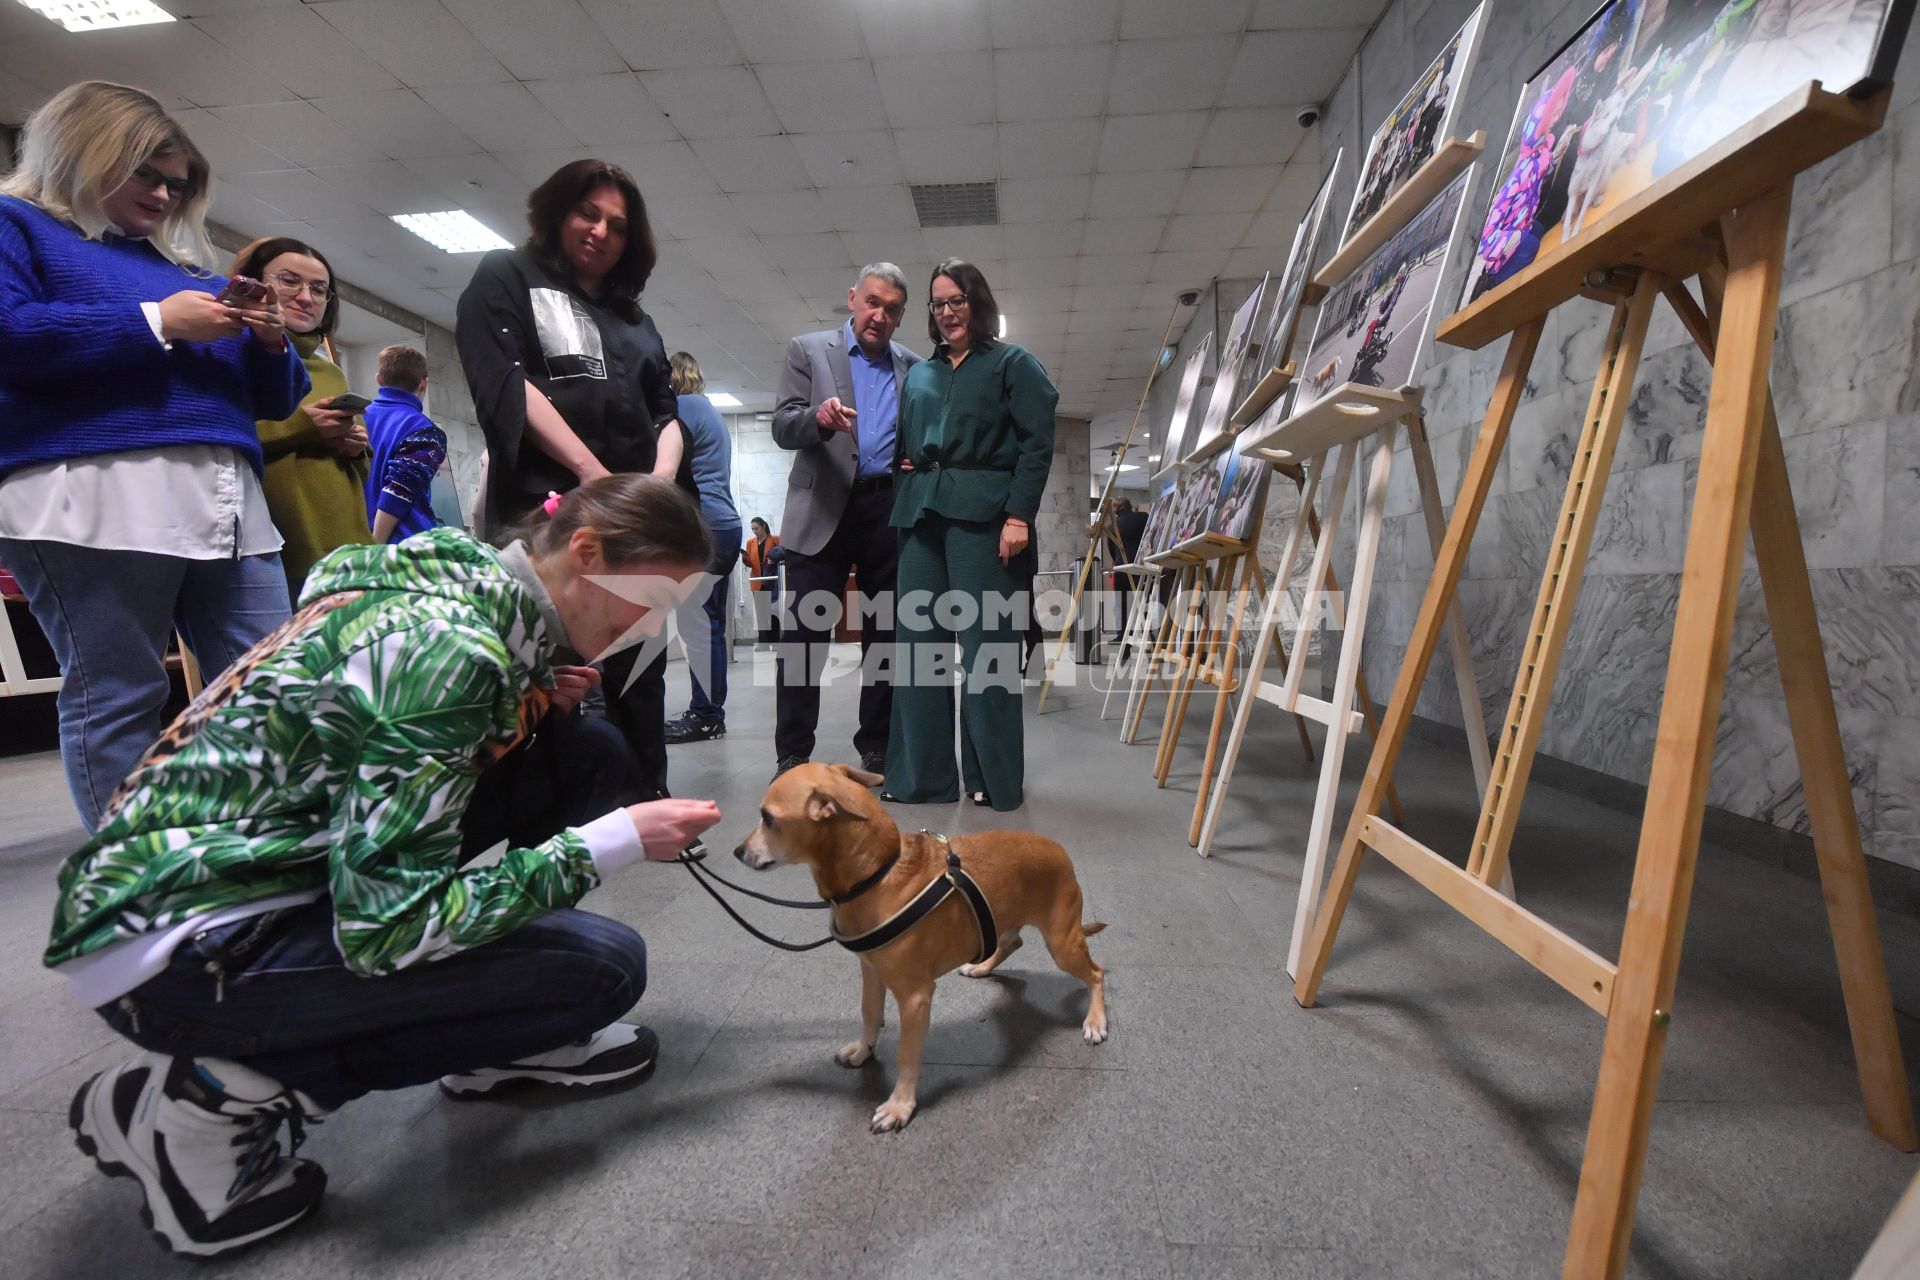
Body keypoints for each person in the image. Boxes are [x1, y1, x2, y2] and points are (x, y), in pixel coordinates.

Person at [49, 475, 721, 1259]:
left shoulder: (445, 580)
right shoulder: (450, 650)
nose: (646, 631)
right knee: (603, 969)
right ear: (585, 551)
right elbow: (389, 931)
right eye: (648, 603)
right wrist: (613, 842)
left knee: (586, 754)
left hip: (198, 889)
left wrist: (530, 684)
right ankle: (201, 1115)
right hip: (179, 955)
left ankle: (494, 1032)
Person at [0, 81, 308, 831]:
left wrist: (268, 337)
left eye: (178, 182)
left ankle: (257, 861)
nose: (167, 194)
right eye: (149, 173)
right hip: (92, 499)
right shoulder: (17, 224)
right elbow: (11, 335)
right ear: (88, 149)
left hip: (225, 503)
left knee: (274, 687)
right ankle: (138, 891)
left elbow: (275, 398)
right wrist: (153, 323)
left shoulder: (177, 268)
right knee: (118, 692)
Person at [455, 157, 686, 808]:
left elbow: (667, 413)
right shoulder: (505, 277)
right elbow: (505, 383)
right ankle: (548, 816)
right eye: (589, 213)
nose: (600, 232)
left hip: (630, 517)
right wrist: (593, 476)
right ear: (558, 211)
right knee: (545, 669)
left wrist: (657, 486)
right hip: (546, 514)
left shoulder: (635, 319)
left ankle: (647, 802)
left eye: (617, 224)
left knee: (640, 664)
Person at [885, 260, 1056, 812]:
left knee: (989, 655)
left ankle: (992, 779)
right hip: (922, 518)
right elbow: (903, 444)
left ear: (977, 302)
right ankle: (922, 778)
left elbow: (1036, 444)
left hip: (987, 518)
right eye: (938, 303)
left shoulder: (1014, 363)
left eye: (957, 299)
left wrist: (1019, 516)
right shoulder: (922, 374)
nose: (948, 311)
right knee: (918, 652)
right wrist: (904, 472)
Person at [770, 263, 920, 781]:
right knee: (805, 637)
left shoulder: (912, 367)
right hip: (821, 510)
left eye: (892, 309)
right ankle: (792, 754)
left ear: (901, 317)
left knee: (885, 636)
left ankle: (876, 747)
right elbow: (782, 425)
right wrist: (818, 419)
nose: (880, 315)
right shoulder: (808, 349)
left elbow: (917, 437)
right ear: (853, 297)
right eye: (873, 302)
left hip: (886, 512)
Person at [233, 236, 372, 601]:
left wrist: (355, 448)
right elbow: (222, 438)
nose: (306, 297)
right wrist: (304, 427)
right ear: (254, 281)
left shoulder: (329, 372)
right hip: (276, 549)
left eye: (319, 289)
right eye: (289, 280)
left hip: (347, 549)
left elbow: (363, 469)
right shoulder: (231, 351)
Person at [662, 352, 742, 743]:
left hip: (702, 526)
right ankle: (709, 712)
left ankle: (707, 715)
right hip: (723, 525)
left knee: (697, 626)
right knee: (707, 625)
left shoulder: (682, 408)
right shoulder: (707, 409)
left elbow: (663, 467)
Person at [361, 344, 448, 544]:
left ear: (379, 379)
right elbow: (398, 491)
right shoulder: (426, 431)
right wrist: (374, 549)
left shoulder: (354, 417)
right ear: (423, 383)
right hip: (399, 549)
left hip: (349, 542)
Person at [742, 515, 781, 644]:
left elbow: (782, 555)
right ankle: (763, 643)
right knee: (761, 614)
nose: (754, 531)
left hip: (773, 580)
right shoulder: (750, 542)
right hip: (757, 581)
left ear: (763, 526)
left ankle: (775, 641)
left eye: (756, 528)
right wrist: (745, 559)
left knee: (774, 612)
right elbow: (750, 563)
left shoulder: (775, 540)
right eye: (752, 529)